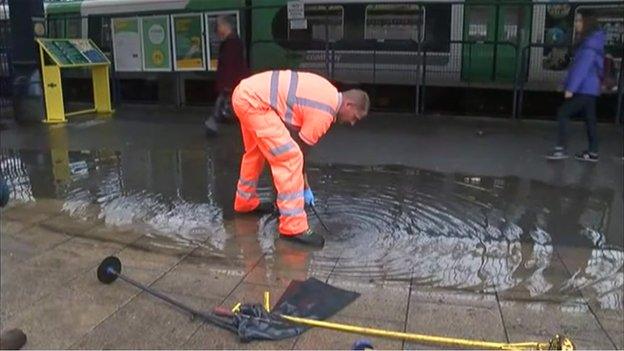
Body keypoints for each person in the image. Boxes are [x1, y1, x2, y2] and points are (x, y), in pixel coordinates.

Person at [231, 70, 369, 248]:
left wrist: (305, 186)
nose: (352, 123)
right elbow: (300, 152)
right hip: (254, 103)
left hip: (245, 94)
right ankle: (293, 227)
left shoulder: (328, 91)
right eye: (354, 118)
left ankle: (245, 202)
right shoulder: (325, 113)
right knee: (290, 157)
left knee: (256, 152)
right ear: (349, 105)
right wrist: (305, 187)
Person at [546, 10, 605, 162]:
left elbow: (581, 69)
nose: (577, 24)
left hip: (585, 88)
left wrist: (570, 88)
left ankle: (561, 149)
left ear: (587, 23)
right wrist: (566, 84)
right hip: (590, 88)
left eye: (579, 21)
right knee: (590, 119)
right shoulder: (592, 41)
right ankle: (593, 152)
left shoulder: (589, 45)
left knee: (563, 113)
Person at [205, 15, 249, 136]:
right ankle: (213, 125)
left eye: (219, 25)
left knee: (224, 107)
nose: (217, 28)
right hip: (231, 83)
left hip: (231, 83)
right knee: (225, 107)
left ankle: (212, 126)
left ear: (226, 26)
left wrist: (227, 85)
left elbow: (230, 65)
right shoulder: (232, 41)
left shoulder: (232, 43)